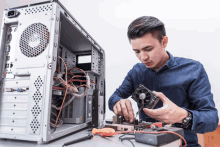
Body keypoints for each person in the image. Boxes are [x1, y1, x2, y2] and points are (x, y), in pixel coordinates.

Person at [108, 16, 219, 147]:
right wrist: (118, 103)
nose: (143, 57)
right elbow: (114, 98)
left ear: (164, 42)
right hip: (144, 143)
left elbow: (211, 119)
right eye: (137, 51)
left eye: (148, 49)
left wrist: (183, 116)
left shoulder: (193, 69)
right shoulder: (137, 71)